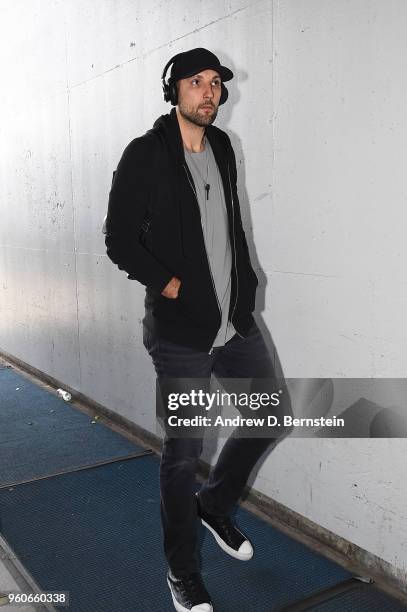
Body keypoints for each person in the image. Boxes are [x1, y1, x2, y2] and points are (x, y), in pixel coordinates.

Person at [104, 47, 291, 612]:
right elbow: (118, 240)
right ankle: (181, 574)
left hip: (234, 324)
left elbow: (228, 224)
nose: (209, 93)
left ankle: (215, 505)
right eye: (196, 83)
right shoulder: (145, 154)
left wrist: (246, 281)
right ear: (174, 90)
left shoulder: (224, 148)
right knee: (182, 454)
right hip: (183, 335)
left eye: (215, 84)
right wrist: (172, 287)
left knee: (271, 415)